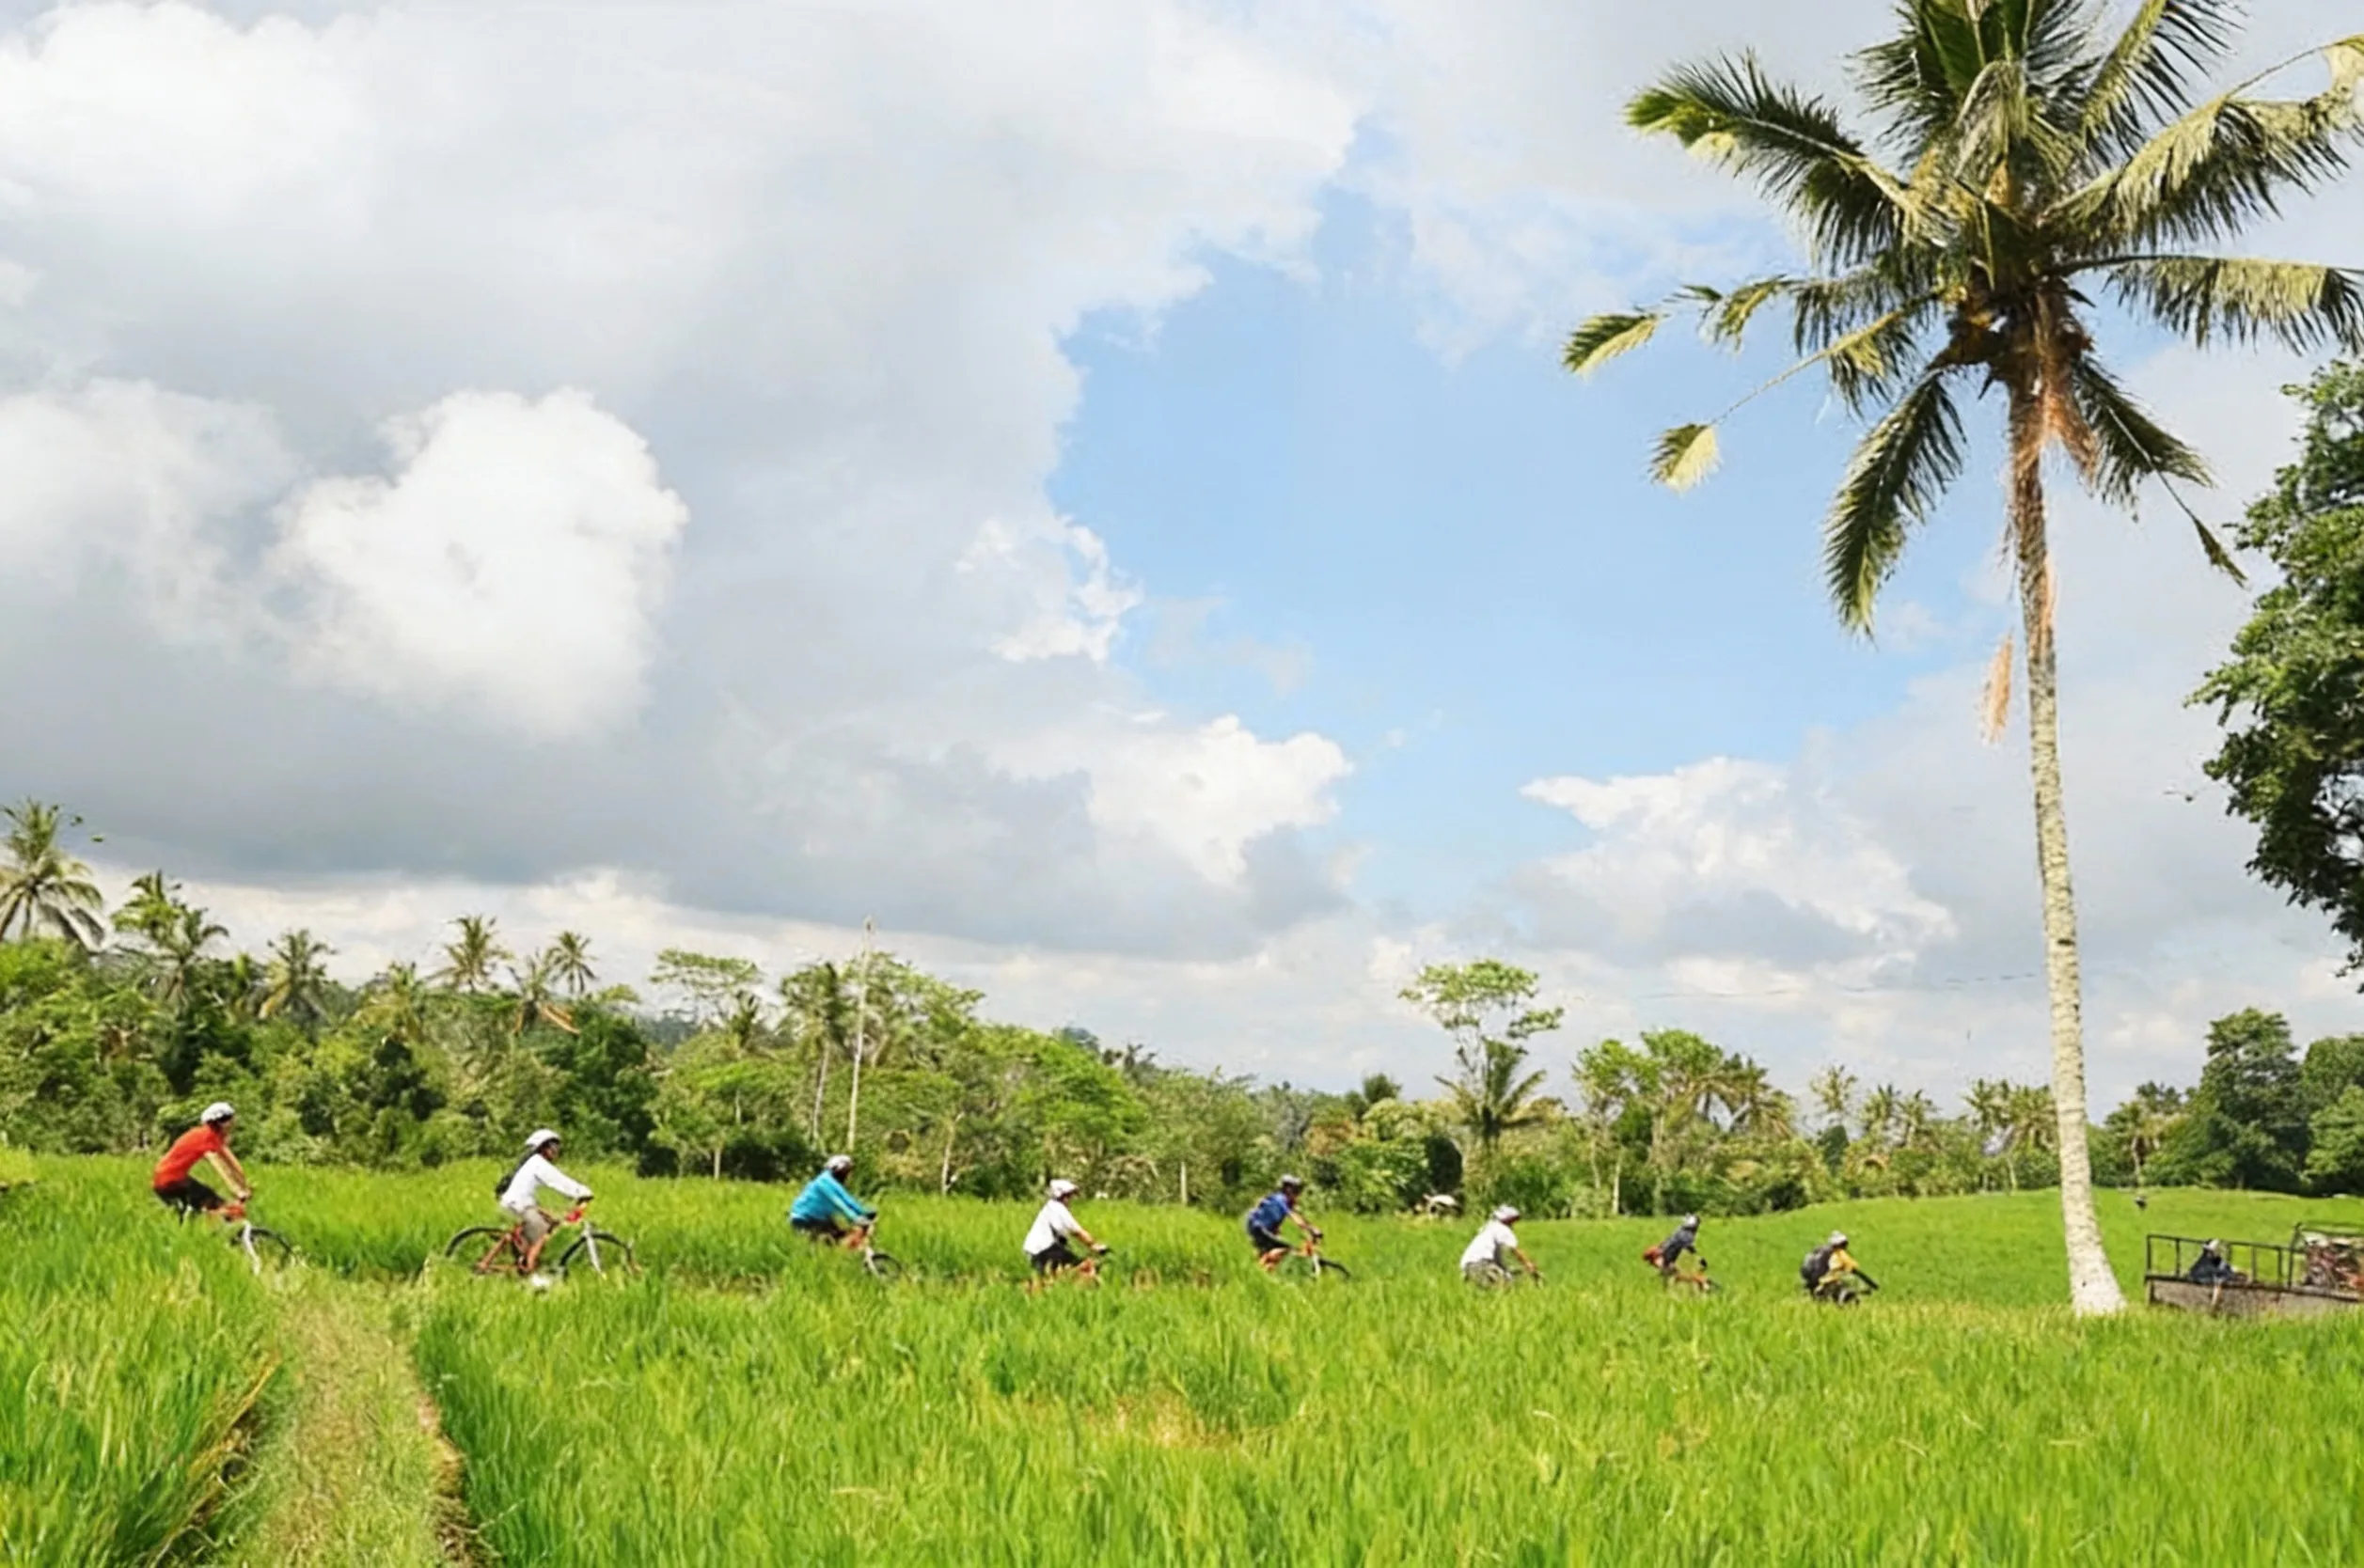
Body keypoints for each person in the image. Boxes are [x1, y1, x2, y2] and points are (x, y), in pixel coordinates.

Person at [497, 1128, 592, 1275]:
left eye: (557, 1147)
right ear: (543, 1148)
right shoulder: (538, 1164)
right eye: (553, 1147)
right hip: (519, 1205)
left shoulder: (533, 1163)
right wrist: (583, 1192)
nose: (556, 1151)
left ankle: (526, 1259)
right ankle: (531, 1272)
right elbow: (560, 1181)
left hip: (519, 1204)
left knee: (551, 1220)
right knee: (542, 1232)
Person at [152, 1102, 251, 1217]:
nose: (232, 1125)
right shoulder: (205, 1136)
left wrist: (244, 1185)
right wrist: (236, 1190)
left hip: (177, 1178)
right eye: (229, 1121)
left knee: (212, 1205)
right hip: (169, 1181)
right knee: (214, 1205)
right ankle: (212, 1229)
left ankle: (212, 1228)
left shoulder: (216, 1138)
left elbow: (233, 1164)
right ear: (219, 1123)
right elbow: (219, 1166)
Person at [1023, 1178, 1106, 1281]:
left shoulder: (1050, 1207)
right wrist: (1094, 1245)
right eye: (1068, 1195)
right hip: (1044, 1249)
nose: (1070, 1199)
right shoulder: (1057, 1208)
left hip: (1039, 1250)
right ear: (1062, 1196)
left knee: (1058, 1273)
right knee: (1083, 1265)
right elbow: (1077, 1231)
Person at [789, 1153, 876, 1249]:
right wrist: (855, 1218)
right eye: (847, 1172)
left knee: (840, 1235)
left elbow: (848, 1200)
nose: (848, 1176)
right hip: (805, 1219)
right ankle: (840, 1257)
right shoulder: (824, 1181)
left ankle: (844, 1254)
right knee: (836, 1240)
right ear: (839, 1170)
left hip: (819, 1218)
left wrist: (863, 1212)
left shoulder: (833, 1183)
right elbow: (838, 1203)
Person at [1246, 1174, 1320, 1273]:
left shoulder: (1281, 1201)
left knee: (1273, 1250)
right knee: (1287, 1248)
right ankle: (1264, 1268)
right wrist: (1312, 1230)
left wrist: (1310, 1227)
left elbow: (1299, 1216)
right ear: (1288, 1190)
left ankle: (1263, 1270)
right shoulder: (1280, 1200)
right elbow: (1295, 1218)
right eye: (1296, 1191)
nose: (1297, 1195)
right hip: (1260, 1230)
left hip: (1258, 1230)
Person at [1459, 1204, 1539, 1285]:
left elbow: (1498, 1260)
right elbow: (1515, 1250)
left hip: (1468, 1267)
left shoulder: (1489, 1228)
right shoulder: (1502, 1229)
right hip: (1481, 1265)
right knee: (1504, 1287)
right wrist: (1528, 1264)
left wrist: (1508, 1271)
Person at [1802, 1230, 1879, 1301]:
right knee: (1847, 1283)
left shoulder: (1822, 1252)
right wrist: (1872, 1285)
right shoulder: (1840, 1254)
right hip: (1829, 1281)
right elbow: (1853, 1267)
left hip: (1815, 1281)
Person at [1645, 1214, 1703, 1283]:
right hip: (1664, 1256)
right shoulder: (1687, 1235)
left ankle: (1663, 1285)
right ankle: (1701, 1282)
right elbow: (1689, 1248)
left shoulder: (1680, 1230)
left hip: (1662, 1254)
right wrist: (1698, 1257)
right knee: (1676, 1274)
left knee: (1671, 1274)